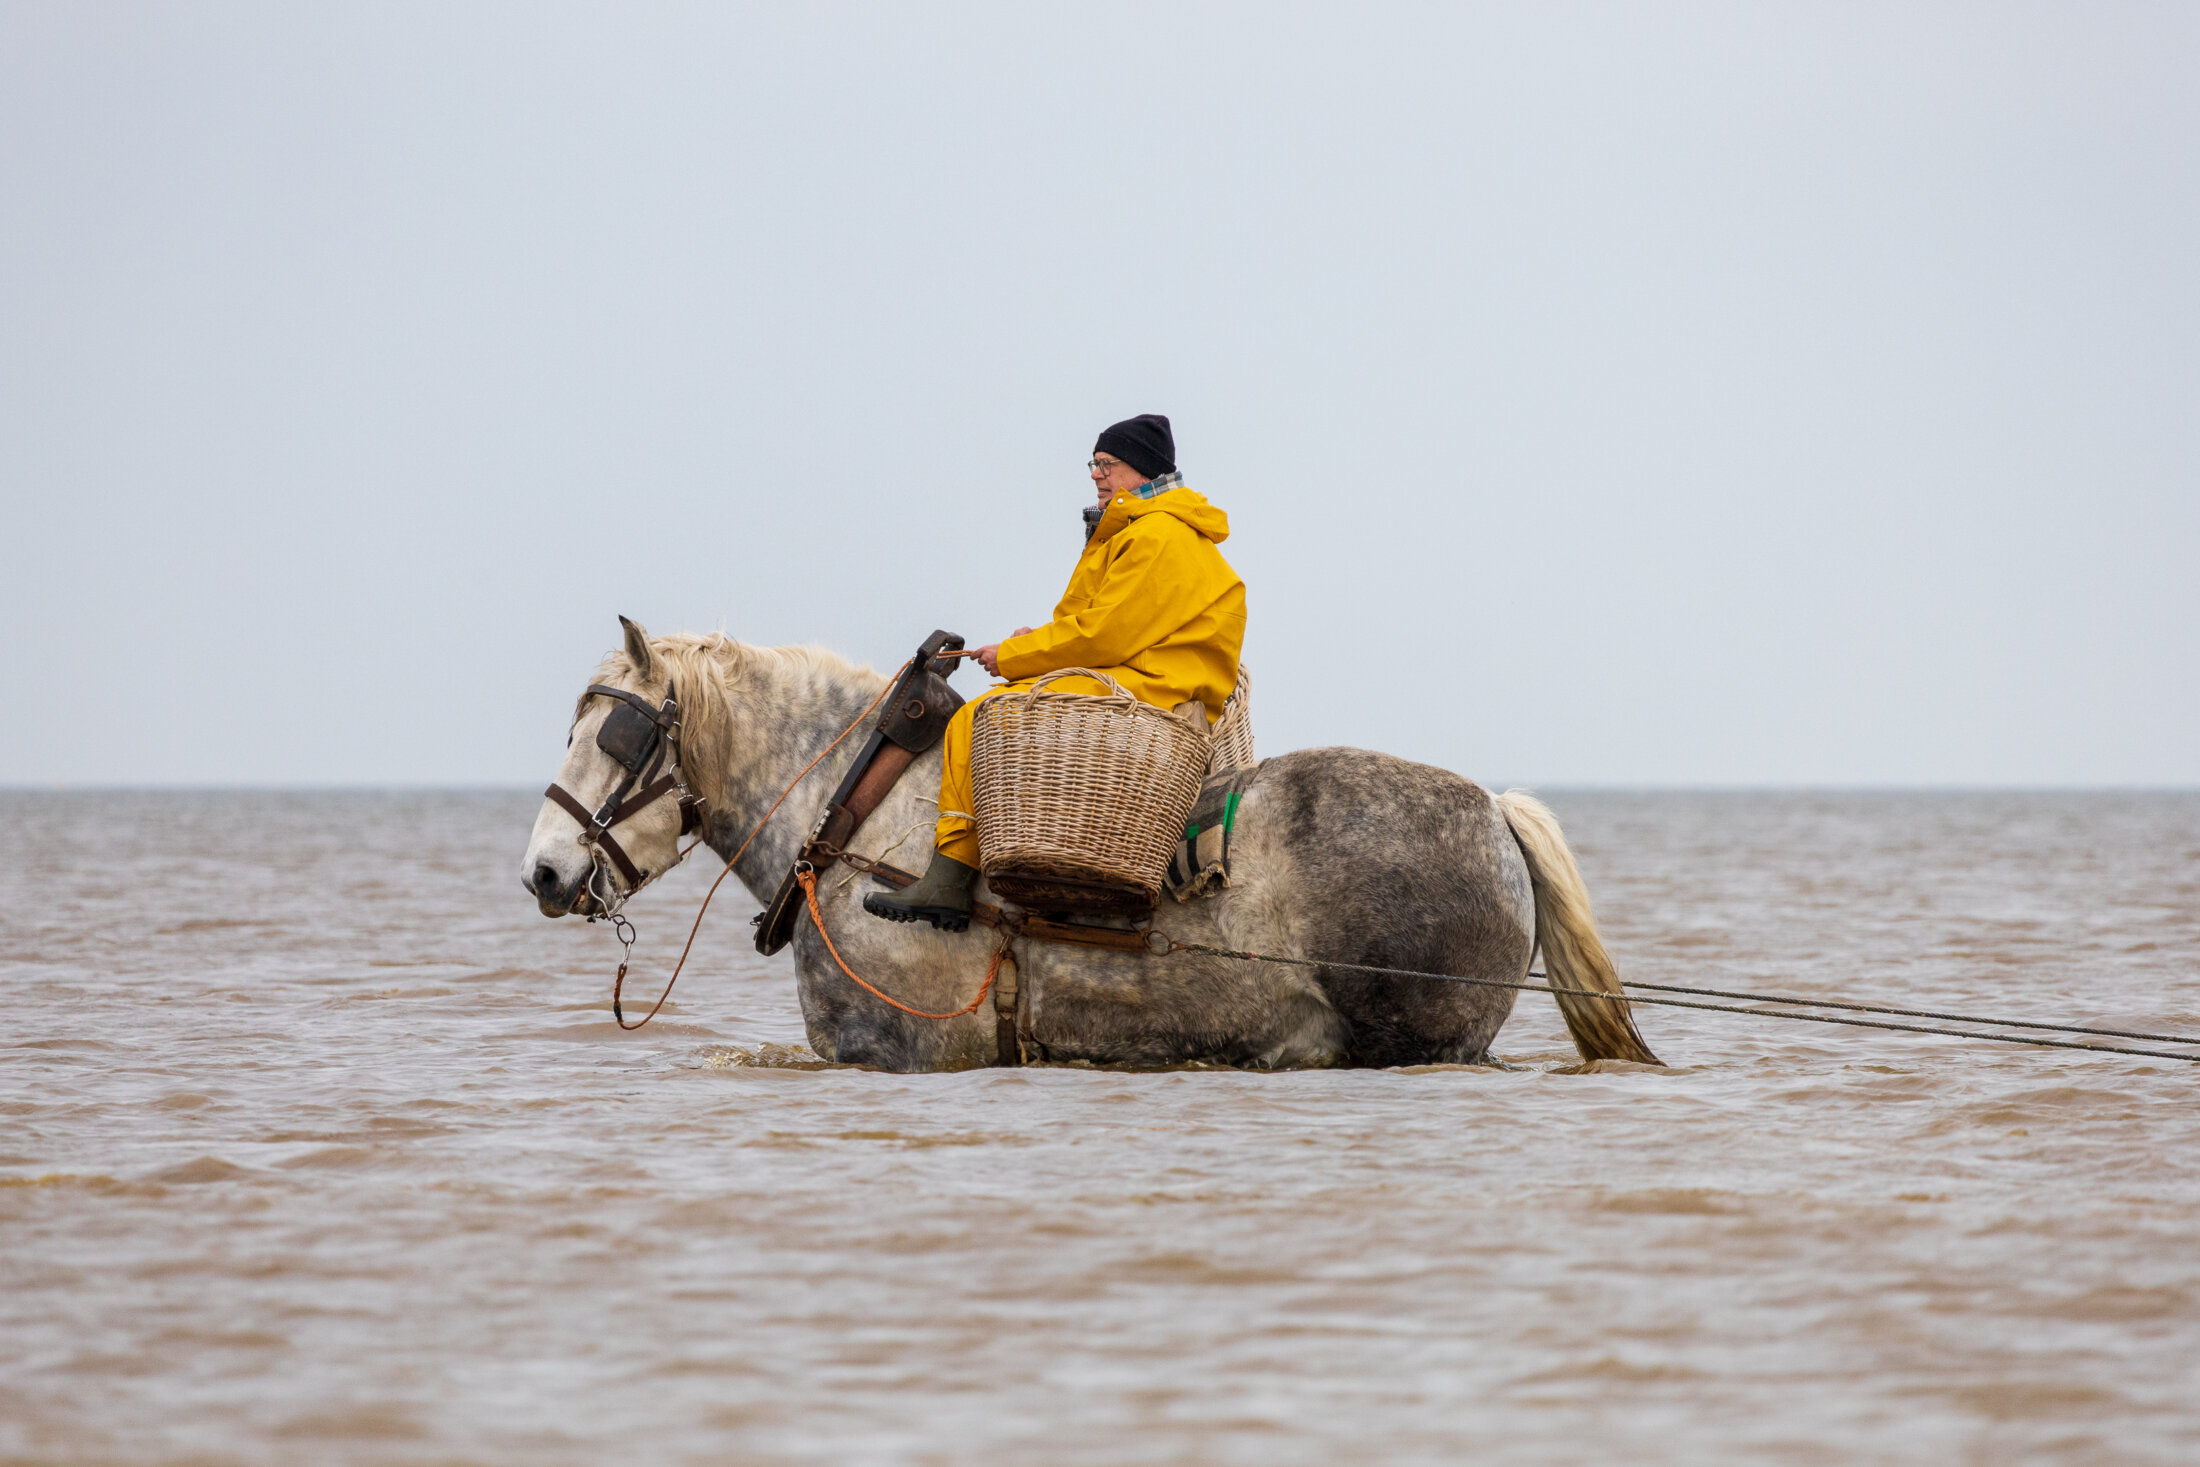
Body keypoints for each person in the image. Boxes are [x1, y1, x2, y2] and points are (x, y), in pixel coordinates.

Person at [864, 413, 1246, 930]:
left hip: (1148, 685)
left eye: (1107, 463)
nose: (1096, 474)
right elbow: (1097, 624)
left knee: (981, 717)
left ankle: (951, 877)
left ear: (1141, 469)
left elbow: (1101, 636)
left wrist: (1013, 659)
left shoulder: (1157, 535)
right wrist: (1033, 644)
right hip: (1140, 673)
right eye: (1095, 463)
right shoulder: (1147, 530)